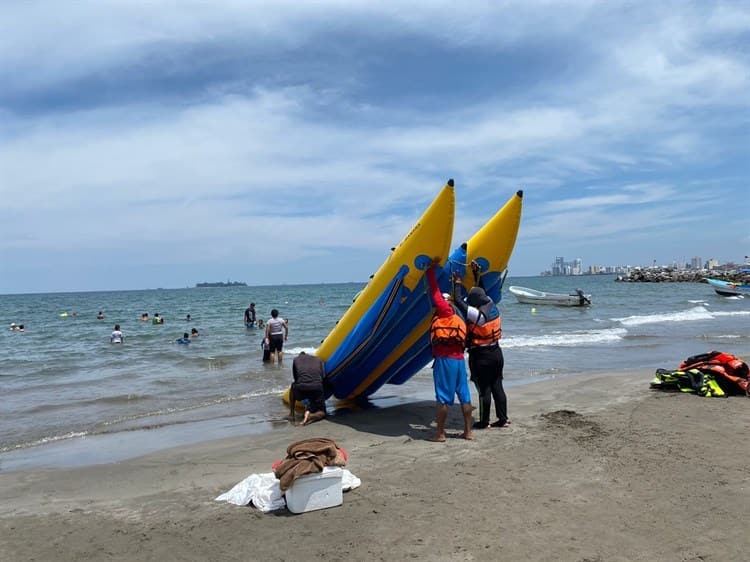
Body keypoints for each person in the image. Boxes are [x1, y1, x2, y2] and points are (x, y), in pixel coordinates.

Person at [453, 260, 508, 429]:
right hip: (497, 354)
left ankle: (484, 422)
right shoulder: (491, 304)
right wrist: (478, 273)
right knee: (497, 386)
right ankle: (503, 419)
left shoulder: (477, 315)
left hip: (481, 358)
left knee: (484, 389)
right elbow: (482, 291)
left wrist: (457, 283)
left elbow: (457, 301)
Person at [426, 258, 473, 442]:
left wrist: (430, 271)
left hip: (445, 360)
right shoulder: (459, 314)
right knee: (464, 395)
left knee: (443, 398)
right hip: (460, 359)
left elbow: (435, 293)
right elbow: (457, 299)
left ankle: (440, 434)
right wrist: (457, 283)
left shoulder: (444, 311)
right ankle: (468, 432)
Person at [289, 351, 327, 425]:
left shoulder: (296, 359)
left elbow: (296, 378)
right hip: (317, 388)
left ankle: (292, 414)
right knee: (322, 412)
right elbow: (322, 377)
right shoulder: (318, 359)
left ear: (300, 355)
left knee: (293, 386)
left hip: (302, 388)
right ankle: (311, 416)